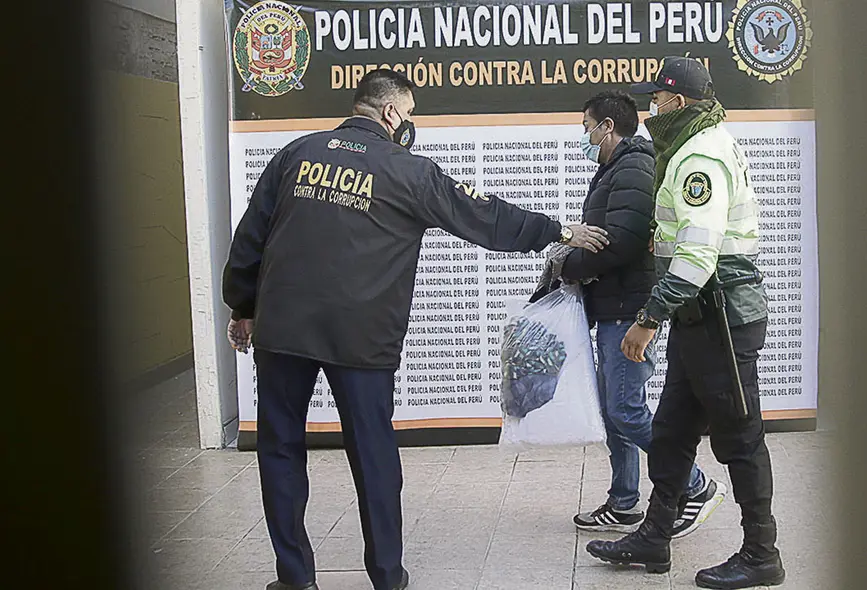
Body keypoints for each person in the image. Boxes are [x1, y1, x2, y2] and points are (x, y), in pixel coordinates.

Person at [222, 69, 610, 590]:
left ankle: (295, 579)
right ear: (389, 113)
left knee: (280, 449)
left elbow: (251, 235)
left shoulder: (296, 154)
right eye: (409, 112)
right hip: (362, 337)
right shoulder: (410, 171)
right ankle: (386, 576)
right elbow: (483, 216)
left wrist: (242, 307)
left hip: (283, 328)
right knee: (373, 454)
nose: (411, 123)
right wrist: (557, 229)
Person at [586, 57, 786, 589]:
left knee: (740, 439)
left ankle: (762, 552)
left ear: (678, 101)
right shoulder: (688, 146)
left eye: (658, 97)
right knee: (672, 431)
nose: (652, 106)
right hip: (700, 320)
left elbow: (698, 256)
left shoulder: (698, 154)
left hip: (720, 319)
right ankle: (654, 536)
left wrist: (648, 318)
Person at [545, 90, 726, 537]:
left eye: (586, 126)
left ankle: (696, 485)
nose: (583, 135)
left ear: (608, 126)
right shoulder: (613, 169)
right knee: (614, 412)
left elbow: (620, 243)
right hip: (613, 304)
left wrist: (569, 262)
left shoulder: (633, 165)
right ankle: (624, 502)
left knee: (626, 410)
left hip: (630, 307)